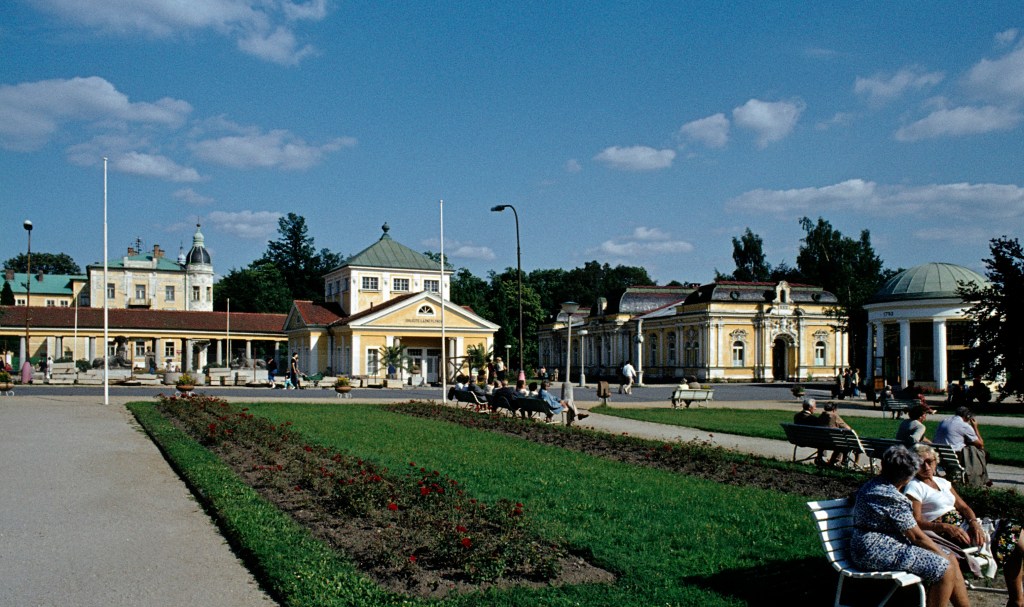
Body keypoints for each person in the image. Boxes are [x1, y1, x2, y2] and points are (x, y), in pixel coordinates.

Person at [850, 446, 970, 607]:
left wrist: (944, 555)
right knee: (945, 567)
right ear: (906, 477)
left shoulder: (875, 484)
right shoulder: (891, 497)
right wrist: (941, 555)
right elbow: (916, 536)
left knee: (951, 559)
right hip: (874, 549)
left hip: (879, 543)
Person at [906, 444, 1024, 595]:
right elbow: (914, 522)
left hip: (966, 526)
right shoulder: (914, 487)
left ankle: (1017, 600)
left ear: (936, 461)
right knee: (1014, 535)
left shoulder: (942, 482)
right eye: (920, 463)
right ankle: (1017, 600)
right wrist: (944, 527)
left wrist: (974, 523)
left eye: (930, 461)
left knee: (1013, 529)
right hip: (951, 534)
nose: (926, 466)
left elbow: (964, 507)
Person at [934, 407, 991, 487]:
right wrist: (975, 427)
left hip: (939, 455)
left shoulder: (944, 421)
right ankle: (981, 477)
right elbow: (980, 444)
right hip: (954, 457)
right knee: (984, 453)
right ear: (967, 416)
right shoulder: (964, 426)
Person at [820, 401, 858, 467]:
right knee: (843, 442)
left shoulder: (821, 416)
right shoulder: (834, 416)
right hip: (833, 442)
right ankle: (841, 461)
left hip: (821, 442)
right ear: (834, 409)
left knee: (839, 441)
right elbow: (848, 429)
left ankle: (833, 461)